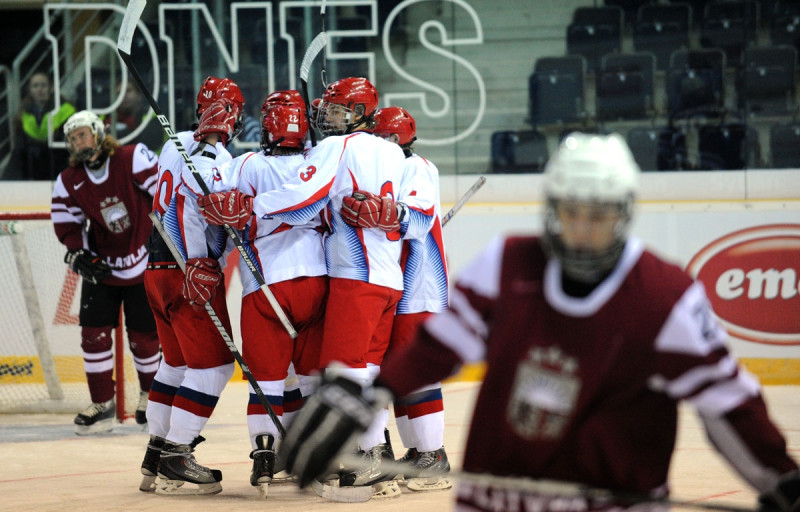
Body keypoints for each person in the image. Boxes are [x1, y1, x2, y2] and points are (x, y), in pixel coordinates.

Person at [279, 132, 800, 511]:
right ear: (552, 208)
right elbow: (441, 345)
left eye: (599, 215)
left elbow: (729, 402)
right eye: (572, 212)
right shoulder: (505, 267)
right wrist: (368, 394)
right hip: (499, 500)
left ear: (624, 213)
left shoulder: (666, 298)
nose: (584, 230)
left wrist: (780, 476)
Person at [196, 77, 430, 497]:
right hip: (390, 280)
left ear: (359, 113)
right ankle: (376, 453)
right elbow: (422, 219)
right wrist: (389, 213)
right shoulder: (395, 152)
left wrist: (252, 207)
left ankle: (371, 455)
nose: (328, 116)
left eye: (338, 108)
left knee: (342, 373)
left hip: (354, 279)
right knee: (367, 369)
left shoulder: (333, 148)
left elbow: (307, 199)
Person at [199, 90, 328, 498]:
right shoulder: (321, 160)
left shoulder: (245, 164)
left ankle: (265, 458)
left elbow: (211, 208)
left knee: (265, 384)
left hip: (265, 285)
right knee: (310, 381)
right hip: (318, 282)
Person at [138, 76, 245, 496]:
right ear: (232, 116)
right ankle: (177, 454)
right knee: (216, 366)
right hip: (191, 273)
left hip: (156, 269)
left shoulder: (173, 143)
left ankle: (155, 450)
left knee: (176, 364)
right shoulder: (211, 156)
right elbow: (218, 212)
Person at [50, 110, 160, 435]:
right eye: (72, 138)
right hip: (102, 266)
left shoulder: (132, 158)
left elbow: (165, 193)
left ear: (98, 133)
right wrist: (77, 250)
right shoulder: (69, 179)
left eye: (82, 134)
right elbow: (66, 220)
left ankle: (150, 396)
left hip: (142, 261)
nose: (77, 141)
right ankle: (102, 404)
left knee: (145, 338)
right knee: (93, 335)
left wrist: (167, 238)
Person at [363, 106, 451, 491]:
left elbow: (412, 217)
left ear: (395, 139)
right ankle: (418, 453)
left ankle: (434, 456)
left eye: (378, 137)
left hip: (420, 289)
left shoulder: (417, 168)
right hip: (401, 288)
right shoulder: (394, 167)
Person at [6, 71, 75, 180]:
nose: (40, 89)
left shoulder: (66, 111)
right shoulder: (23, 115)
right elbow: (20, 147)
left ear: (51, 88)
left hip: (58, 165)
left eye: (43, 85)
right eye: (35, 86)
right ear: (30, 90)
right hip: (32, 169)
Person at [112, 81, 166, 153]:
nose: (123, 95)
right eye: (119, 93)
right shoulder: (111, 118)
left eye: (128, 90)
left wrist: (121, 133)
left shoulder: (152, 115)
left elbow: (147, 143)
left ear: (139, 95)